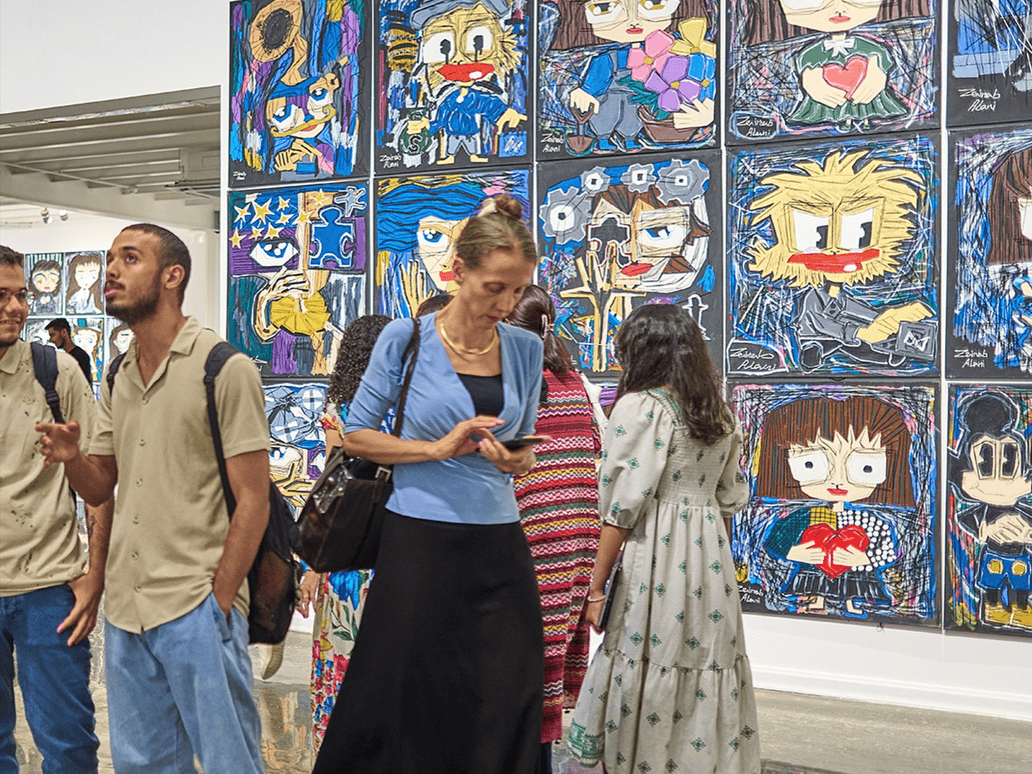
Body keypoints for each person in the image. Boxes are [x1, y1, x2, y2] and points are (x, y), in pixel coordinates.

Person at [313, 194, 545, 774]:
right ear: (459, 271)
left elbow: (525, 443)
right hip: (420, 537)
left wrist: (515, 461)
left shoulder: (525, 348)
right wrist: (435, 449)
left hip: (499, 542)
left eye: (517, 290)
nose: (506, 303)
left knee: (504, 690)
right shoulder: (406, 337)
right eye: (495, 286)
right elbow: (357, 436)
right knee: (408, 692)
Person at [36, 224, 271, 774]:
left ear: (172, 276)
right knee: (143, 766)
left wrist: (219, 599)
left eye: (130, 258)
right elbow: (101, 488)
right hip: (126, 610)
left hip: (196, 605)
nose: (111, 270)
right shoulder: (117, 374)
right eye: (110, 257)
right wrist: (73, 460)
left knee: (228, 762)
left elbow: (253, 500)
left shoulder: (224, 369)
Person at [569, 304, 760, 774]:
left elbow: (620, 509)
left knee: (648, 653)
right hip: (708, 556)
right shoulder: (717, 413)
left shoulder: (640, 408)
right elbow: (729, 496)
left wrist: (595, 589)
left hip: (655, 553)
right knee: (703, 656)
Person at [1, 245, 113, 773]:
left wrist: (95, 574)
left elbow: (100, 485)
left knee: (68, 747)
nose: (15, 307)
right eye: (0, 296)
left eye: (20, 294)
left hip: (49, 589)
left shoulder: (56, 371)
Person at [507, 284, 601, 774]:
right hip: (576, 543)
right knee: (545, 660)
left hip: (534, 537)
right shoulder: (574, 382)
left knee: (518, 670)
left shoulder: (517, 382)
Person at [294, 314, 391, 750]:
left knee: (341, 652)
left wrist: (311, 565)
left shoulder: (340, 410)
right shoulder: (409, 406)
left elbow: (331, 486)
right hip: (395, 546)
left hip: (350, 550)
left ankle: (338, 747)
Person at [46, 316, 93, 384]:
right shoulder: (67, 356)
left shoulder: (80, 356)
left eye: (53, 335)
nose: (51, 340)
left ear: (64, 332)